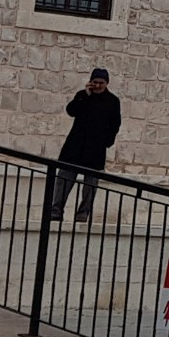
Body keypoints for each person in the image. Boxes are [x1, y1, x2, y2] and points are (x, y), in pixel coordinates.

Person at [48, 67, 122, 222]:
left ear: (106, 83)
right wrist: (85, 96)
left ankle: (83, 213)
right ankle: (56, 211)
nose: (97, 85)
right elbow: (71, 111)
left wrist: (107, 141)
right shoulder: (82, 96)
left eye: (101, 82)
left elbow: (115, 123)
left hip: (95, 149)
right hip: (75, 146)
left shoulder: (113, 101)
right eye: (95, 82)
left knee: (90, 185)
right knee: (64, 180)